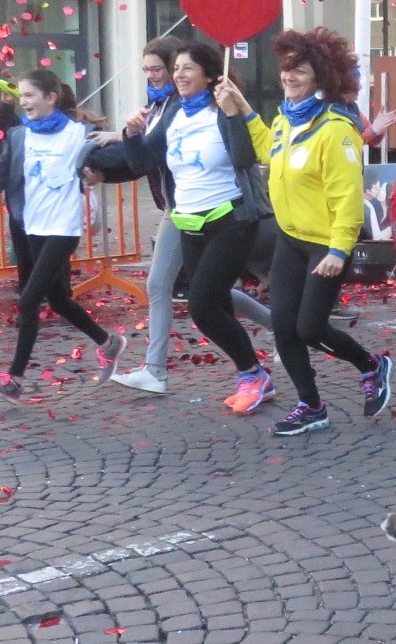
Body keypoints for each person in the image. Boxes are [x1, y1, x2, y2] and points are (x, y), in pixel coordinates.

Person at [88, 38, 273, 394]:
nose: (178, 75)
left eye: (186, 68)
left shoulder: (222, 108)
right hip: (187, 221)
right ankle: (266, 348)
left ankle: (252, 373)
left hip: (230, 219)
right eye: (176, 69)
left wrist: (234, 113)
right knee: (214, 301)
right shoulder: (172, 112)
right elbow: (143, 161)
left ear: (208, 74)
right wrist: (129, 134)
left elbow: (243, 158)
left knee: (202, 307)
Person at [252, 28, 394, 433]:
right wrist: (240, 110)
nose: (290, 76)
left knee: (310, 327)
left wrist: (338, 250)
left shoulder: (334, 129)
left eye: (301, 70)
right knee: (283, 327)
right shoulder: (283, 120)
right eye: (286, 68)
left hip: (327, 244)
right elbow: (266, 148)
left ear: (321, 76)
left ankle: (372, 366)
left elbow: (348, 196)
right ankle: (311, 406)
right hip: (291, 239)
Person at [0, 70, 125, 400]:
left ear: (51, 97)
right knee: (60, 299)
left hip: (63, 228)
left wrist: (104, 166)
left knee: (29, 299)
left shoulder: (80, 133)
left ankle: (15, 380)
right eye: (21, 97)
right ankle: (109, 342)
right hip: (29, 226)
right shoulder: (19, 136)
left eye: (30, 95)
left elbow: (120, 159)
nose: (24, 102)